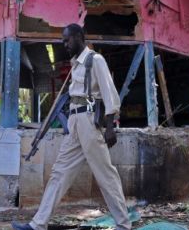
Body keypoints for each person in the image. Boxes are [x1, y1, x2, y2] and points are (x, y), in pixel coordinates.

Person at [12, 24, 131, 230]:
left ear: (78, 37)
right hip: (74, 122)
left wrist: (110, 128)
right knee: (59, 172)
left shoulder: (95, 60)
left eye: (67, 40)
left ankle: (123, 225)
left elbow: (110, 95)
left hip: (88, 121)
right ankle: (38, 224)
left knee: (105, 176)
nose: (64, 44)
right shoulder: (75, 64)